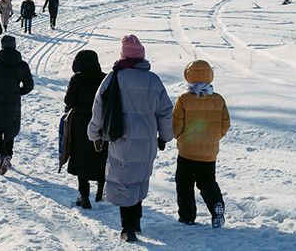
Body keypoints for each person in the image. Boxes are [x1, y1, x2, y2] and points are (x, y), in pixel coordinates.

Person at [88, 34, 173, 243]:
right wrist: (165, 136)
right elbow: (165, 111)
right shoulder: (153, 80)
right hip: (147, 140)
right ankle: (136, 221)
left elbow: (99, 108)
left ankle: (128, 227)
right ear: (141, 57)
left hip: (120, 139)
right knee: (139, 178)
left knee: (124, 181)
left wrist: (94, 134)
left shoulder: (113, 77)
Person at [173, 60, 230, 228]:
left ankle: (187, 216)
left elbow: (176, 125)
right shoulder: (218, 99)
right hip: (209, 152)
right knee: (207, 182)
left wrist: (181, 136)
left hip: (187, 151)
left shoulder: (184, 99)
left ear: (188, 75)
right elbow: (225, 123)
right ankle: (216, 206)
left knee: (184, 184)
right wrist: (215, 137)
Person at [0, 35, 34, 176]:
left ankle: (2, 155)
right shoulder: (22, 65)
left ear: (1, 46)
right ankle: (8, 154)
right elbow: (29, 86)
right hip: (13, 106)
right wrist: (17, 93)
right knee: (10, 131)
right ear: (15, 46)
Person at [64, 50, 108, 209]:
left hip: (80, 125)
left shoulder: (77, 79)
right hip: (101, 124)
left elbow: (69, 101)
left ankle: (84, 196)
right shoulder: (105, 78)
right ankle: (100, 193)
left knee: (81, 159)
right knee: (101, 157)